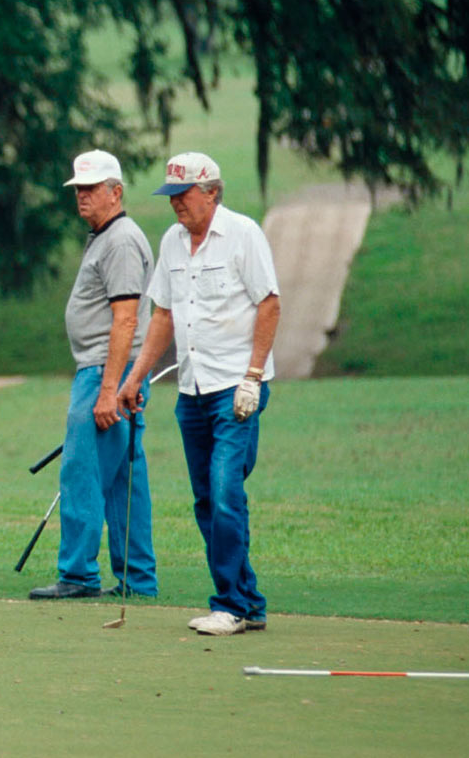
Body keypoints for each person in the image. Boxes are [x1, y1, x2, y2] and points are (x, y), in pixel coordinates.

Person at [118, 152, 280, 636]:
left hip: (236, 388)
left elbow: (269, 305)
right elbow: (163, 317)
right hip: (191, 388)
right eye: (171, 198)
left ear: (211, 192)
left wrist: (253, 375)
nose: (176, 207)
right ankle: (248, 601)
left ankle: (228, 604)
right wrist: (136, 377)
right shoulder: (171, 242)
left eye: (183, 196)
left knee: (227, 492)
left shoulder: (243, 235)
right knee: (208, 499)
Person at [29, 150, 158, 601]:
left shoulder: (120, 241)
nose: (82, 196)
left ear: (115, 192)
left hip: (107, 374)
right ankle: (138, 579)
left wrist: (108, 390)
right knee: (125, 480)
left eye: (92, 188)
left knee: (82, 472)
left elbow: (125, 320)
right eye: (79, 188)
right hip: (118, 374)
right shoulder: (107, 236)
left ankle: (79, 574)